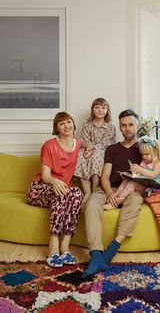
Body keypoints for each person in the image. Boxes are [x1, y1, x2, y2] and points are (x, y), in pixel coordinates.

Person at [82, 109, 160, 278]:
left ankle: (109, 252)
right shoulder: (112, 149)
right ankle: (96, 255)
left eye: (130, 124)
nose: (127, 128)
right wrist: (110, 192)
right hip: (109, 188)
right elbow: (104, 176)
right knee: (91, 204)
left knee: (134, 201)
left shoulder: (145, 147)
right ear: (120, 128)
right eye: (123, 125)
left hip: (134, 190)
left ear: (137, 126)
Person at [27, 112, 84, 267]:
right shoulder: (49, 145)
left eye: (69, 122)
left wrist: (91, 148)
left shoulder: (79, 144)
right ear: (56, 128)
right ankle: (53, 246)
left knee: (77, 193)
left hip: (63, 190)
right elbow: (45, 176)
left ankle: (65, 246)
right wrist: (54, 182)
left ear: (73, 123)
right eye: (62, 123)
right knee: (60, 193)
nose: (67, 126)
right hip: (41, 188)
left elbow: (91, 150)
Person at [103, 135, 160, 210]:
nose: (144, 157)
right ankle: (116, 198)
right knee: (126, 180)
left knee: (132, 184)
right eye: (142, 154)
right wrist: (133, 174)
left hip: (150, 186)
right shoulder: (144, 162)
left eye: (146, 154)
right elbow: (141, 175)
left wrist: (140, 169)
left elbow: (153, 175)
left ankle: (116, 203)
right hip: (143, 183)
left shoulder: (158, 163)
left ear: (155, 153)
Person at [74, 97, 116, 203]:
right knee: (80, 155)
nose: (100, 110)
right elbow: (84, 139)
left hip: (102, 150)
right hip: (87, 149)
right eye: (97, 107)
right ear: (92, 109)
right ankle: (87, 192)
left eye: (103, 107)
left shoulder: (110, 127)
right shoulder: (87, 125)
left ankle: (95, 190)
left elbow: (107, 143)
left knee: (96, 155)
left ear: (107, 110)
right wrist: (88, 148)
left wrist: (92, 149)